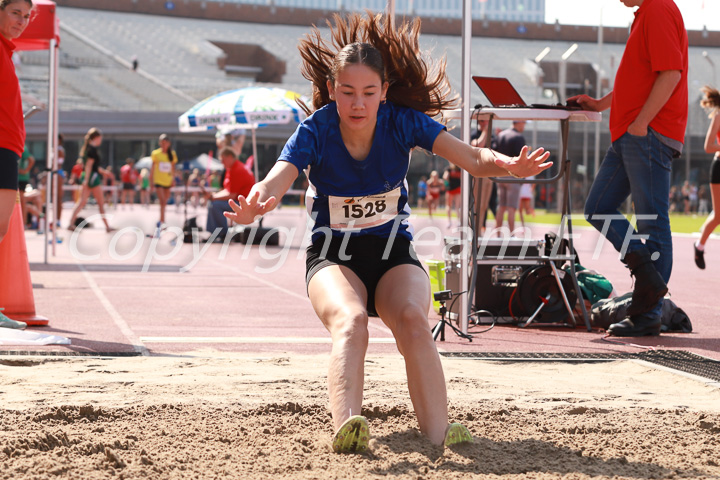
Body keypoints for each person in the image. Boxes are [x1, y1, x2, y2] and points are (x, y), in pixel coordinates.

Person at [224, 13, 551, 452]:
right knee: (352, 321)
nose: (357, 104)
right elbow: (278, 177)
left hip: (393, 252)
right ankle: (350, 432)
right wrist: (258, 201)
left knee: (416, 322)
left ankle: (439, 437)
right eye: (347, 93)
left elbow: (472, 158)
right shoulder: (315, 130)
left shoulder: (402, 123)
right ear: (333, 92)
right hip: (333, 255)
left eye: (368, 93)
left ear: (384, 93)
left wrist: (507, 164)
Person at [569, 0, 688, 337]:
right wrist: (601, 104)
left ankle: (648, 313)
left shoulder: (658, 8)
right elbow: (637, 79)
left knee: (652, 222)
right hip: (629, 133)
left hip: (646, 133)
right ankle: (648, 278)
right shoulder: (644, 14)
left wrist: (641, 124)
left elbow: (671, 73)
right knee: (597, 207)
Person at [0, 0, 32, 253]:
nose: (21, 21)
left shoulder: (7, 52)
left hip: (8, 149)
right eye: (15, 13)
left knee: (2, 226)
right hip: (1, 147)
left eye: (26, 16)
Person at [67, 128, 113, 232]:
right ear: (96, 138)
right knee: (100, 203)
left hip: (89, 176)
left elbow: (92, 166)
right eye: (100, 138)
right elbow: (89, 165)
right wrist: (87, 180)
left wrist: (103, 172)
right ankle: (107, 227)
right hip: (92, 178)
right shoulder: (92, 149)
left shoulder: (88, 148)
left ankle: (71, 223)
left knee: (82, 202)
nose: (101, 140)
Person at [694, 85, 720, 269]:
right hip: (719, 167)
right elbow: (708, 146)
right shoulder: (718, 116)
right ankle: (699, 246)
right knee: (718, 216)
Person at [203, 147, 254, 240]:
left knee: (215, 205)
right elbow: (228, 190)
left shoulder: (237, 169)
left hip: (244, 203)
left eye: (223, 160)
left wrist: (213, 197)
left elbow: (231, 194)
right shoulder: (232, 168)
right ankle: (217, 233)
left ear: (230, 157)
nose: (222, 163)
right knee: (213, 203)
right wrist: (213, 196)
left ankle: (221, 234)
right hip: (239, 200)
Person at [493, 121, 526, 236]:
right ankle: (512, 235)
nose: (524, 126)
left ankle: (497, 235)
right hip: (513, 175)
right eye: (524, 123)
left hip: (500, 174)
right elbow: (522, 159)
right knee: (511, 207)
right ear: (518, 123)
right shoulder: (518, 137)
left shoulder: (501, 135)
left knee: (501, 206)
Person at [150, 133, 177, 235]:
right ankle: (162, 221)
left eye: (165, 143)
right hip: (158, 180)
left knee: (165, 201)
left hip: (167, 181)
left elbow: (173, 167)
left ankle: (162, 219)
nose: (163, 144)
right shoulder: (155, 154)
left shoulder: (172, 154)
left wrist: (173, 179)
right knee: (161, 201)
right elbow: (152, 167)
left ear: (169, 143)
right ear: (160, 143)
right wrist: (151, 180)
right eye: (162, 142)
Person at [18, 147, 33, 227]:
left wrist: (25, 171)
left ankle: (23, 223)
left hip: (21, 178)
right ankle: (22, 223)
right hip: (18, 178)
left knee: (21, 201)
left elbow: (31, 160)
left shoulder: (23, 147)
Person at [443, 164, 461, 228]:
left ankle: (458, 221)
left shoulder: (460, 169)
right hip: (450, 189)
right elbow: (445, 177)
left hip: (458, 189)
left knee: (457, 205)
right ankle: (449, 221)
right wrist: (446, 183)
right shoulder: (448, 169)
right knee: (449, 205)